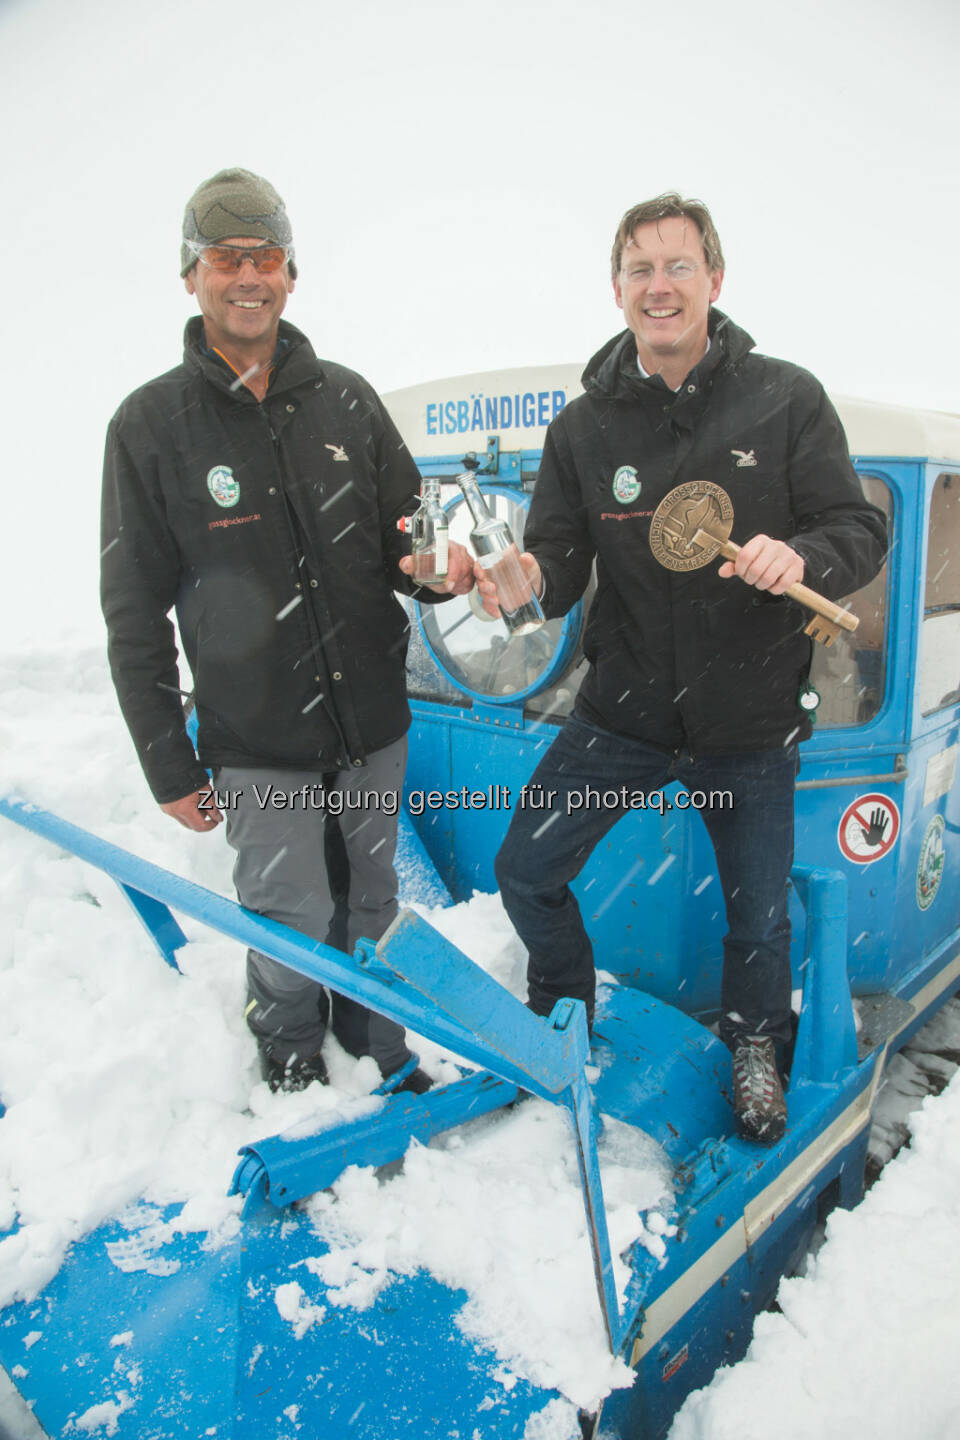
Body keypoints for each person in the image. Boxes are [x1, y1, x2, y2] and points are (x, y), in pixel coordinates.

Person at [481, 193, 886, 1144]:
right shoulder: (582, 429)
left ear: (714, 279)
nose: (658, 286)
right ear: (617, 288)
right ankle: (563, 1009)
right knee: (525, 869)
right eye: (639, 269)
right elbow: (560, 559)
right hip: (620, 715)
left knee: (756, 921)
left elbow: (857, 526)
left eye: (677, 265)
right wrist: (525, 577)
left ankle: (754, 1044)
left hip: (748, 721)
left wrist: (806, 559)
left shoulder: (786, 397)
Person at [101, 168, 473, 1094]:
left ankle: (376, 1036)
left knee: (373, 898)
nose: (247, 277)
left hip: (371, 726)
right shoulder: (150, 427)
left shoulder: (346, 401)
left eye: (264, 257)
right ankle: (292, 1051)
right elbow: (132, 608)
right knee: (289, 911)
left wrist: (433, 571)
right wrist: (167, 761)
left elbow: (406, 538)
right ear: (192, 276)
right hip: (256, 735)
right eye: (225, 259)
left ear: (292, 274)